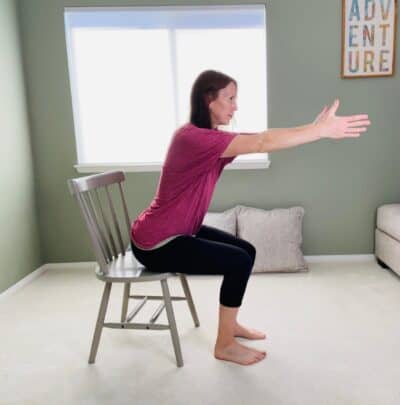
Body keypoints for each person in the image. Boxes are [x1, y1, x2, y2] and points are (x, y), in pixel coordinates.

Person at [131, 70, 370, 366]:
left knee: (247, 251)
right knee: (239, 261)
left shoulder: (210, 139)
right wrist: (318, 131)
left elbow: (262, 139)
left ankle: (230, 326)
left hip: (180, 230)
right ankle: (224, 344)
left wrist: (313, 127)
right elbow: (261, 143)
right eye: (230, 99)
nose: (235, 106)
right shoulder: (192, 138)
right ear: (209, 100)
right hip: (157, 243)